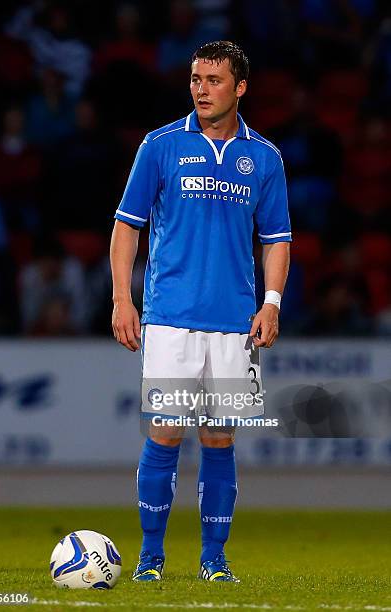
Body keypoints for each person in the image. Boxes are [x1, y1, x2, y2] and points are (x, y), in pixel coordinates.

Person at [110, 41, 291, 583]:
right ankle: (150, 558)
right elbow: (126, 226)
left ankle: (214, 559)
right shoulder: (161, 145)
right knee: (165, 431)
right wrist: (123, 298)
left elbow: (277, 238)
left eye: (214, 80)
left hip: (235, 323)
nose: (201, 89)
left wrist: (272, 303)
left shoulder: (263, 157)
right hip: (169, 317)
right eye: (195, 79)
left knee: (219, 437)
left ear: (240, 87)